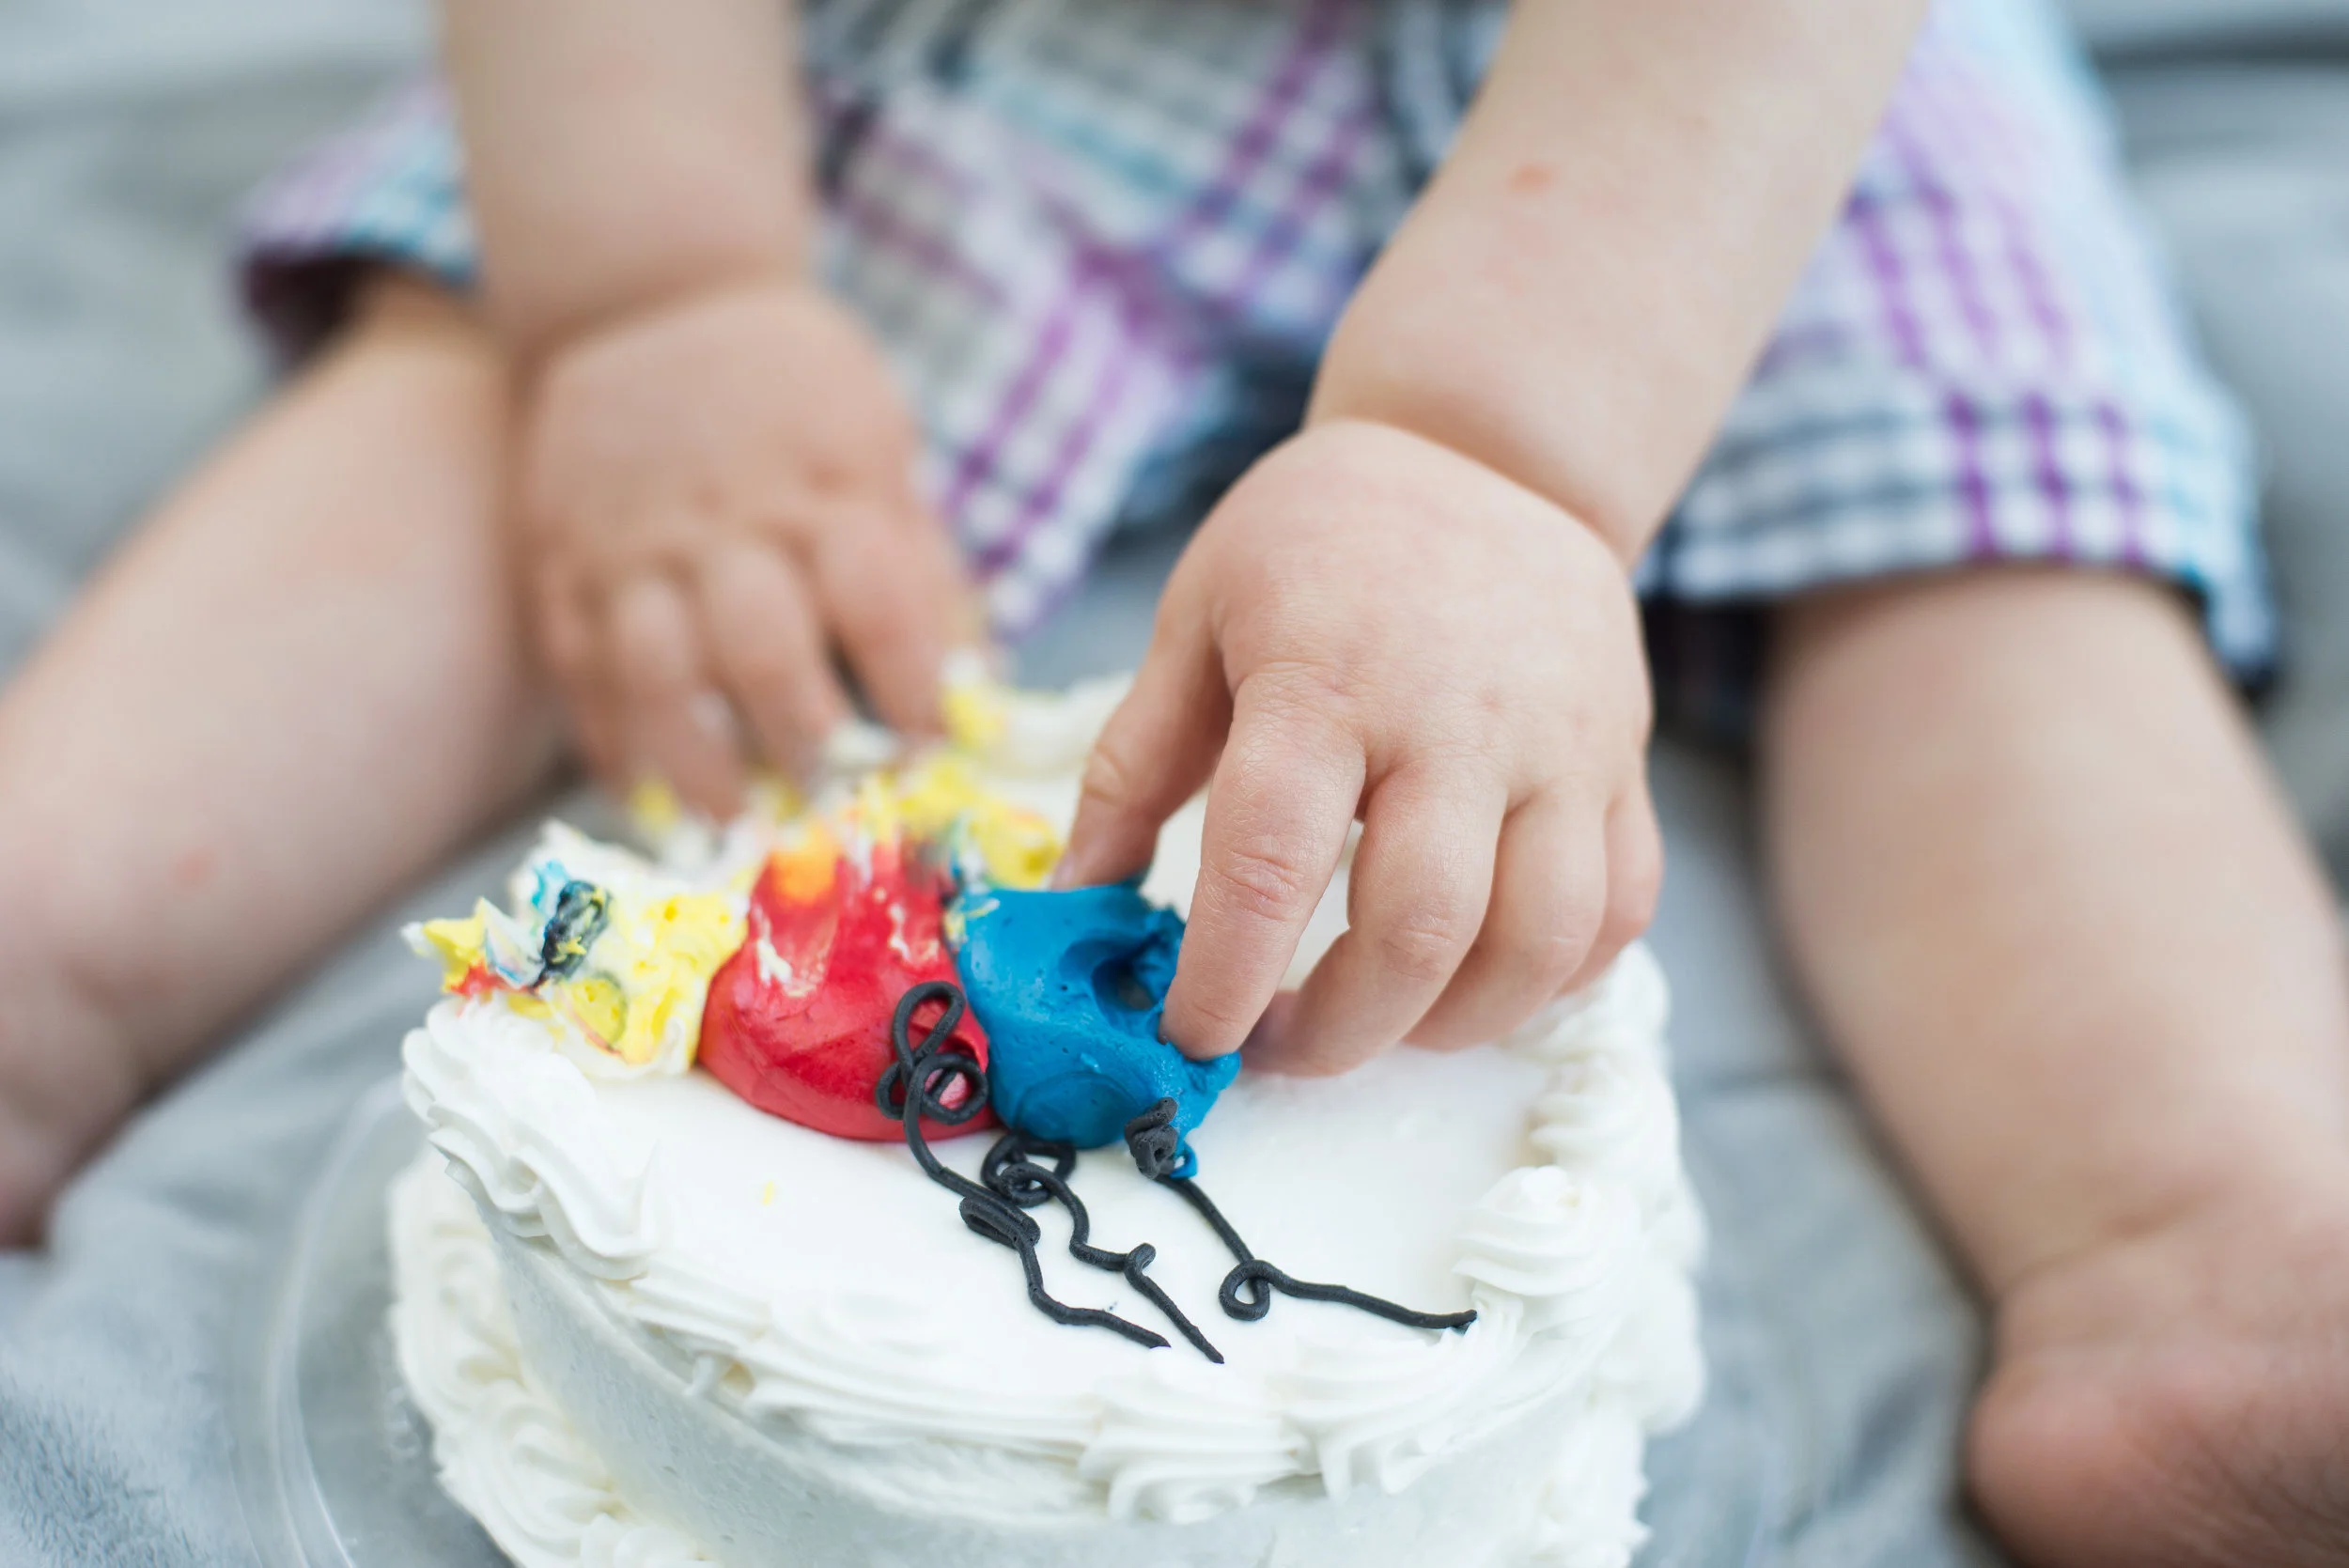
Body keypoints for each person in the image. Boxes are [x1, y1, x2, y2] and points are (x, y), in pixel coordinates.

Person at [0, 0, 2342, 1562]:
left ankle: (2208, 1240)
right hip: (946, 54)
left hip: (1699, 128)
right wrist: (657, 296)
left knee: (1972, 562)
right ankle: (46, 941)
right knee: (535, 438)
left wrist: (1488, 454)